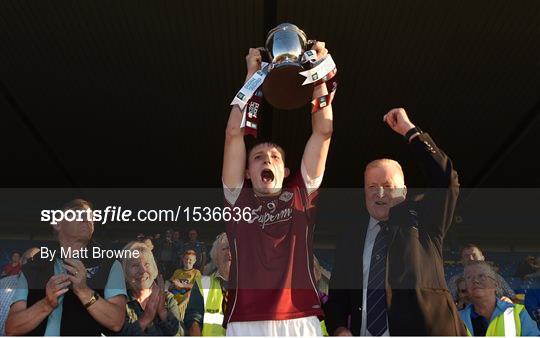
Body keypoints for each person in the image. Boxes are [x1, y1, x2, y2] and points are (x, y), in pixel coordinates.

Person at [222, 41, 333, 336]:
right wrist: (251, 78)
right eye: (257, 157)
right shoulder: (237, 199)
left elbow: (323, 132)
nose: (266, 160)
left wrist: (318, 71)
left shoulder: (301, 194)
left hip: (299, 318)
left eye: (274, 157)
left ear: (285, 171)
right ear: (247, 172)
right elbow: (234, 134)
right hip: (245, 320)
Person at [325, 108, 466, 336]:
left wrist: (411, 132)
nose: (379, 193)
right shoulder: (350, 236)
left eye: (388, 186)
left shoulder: (426, 219)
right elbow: (337, 296)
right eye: (371, 187)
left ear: (404, 190)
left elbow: (446, 180)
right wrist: (339, 327)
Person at [5, 199, 127, 336]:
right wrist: (47, 303)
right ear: (57, 223)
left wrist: (84, 291)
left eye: (92, 217)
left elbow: (116, 322)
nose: (88, 219)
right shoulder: (33, 267)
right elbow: (11, 328)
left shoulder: (110, 265)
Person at [459, 261, 539, 336]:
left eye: (481, 276)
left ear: (495, 284)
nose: (475, 280)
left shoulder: (518, 313)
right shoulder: (457, 318)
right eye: (469, 277)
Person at [120, 241, 184, 336]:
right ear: (125, 272)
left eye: (147, 264)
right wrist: (146, 318)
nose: (142, 270)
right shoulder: (119, 303)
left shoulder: (168, 299)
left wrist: (162, 312)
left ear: (154, 268)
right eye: (135, 265)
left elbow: (179, 334)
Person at [184, 232, 231, 336]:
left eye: (233, 249)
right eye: (225, 249)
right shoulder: (202, 283)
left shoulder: (252, 285)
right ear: (216, 256)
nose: (229, 253)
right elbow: (193, 320)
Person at [447, 244, 516, 301]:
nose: (471, 258)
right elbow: (448, 302)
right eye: (466, 256)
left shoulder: (496, 277)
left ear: (482, 258)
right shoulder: (454, 280)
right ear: (462, 261)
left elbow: (512, 297)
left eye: (474, 255)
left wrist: (508, 300)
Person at [169, 250, 202, 318]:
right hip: (174, 295)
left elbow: (198, 286)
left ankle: (178, 313)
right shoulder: (177, 271)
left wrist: (182, 285)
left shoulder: (196, 272)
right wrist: (173, 285)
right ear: (183, 259)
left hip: (186, 298)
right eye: (186, 259)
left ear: (194, 261)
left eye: (190, 259)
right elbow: (169, 285)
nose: (187, 261)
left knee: (190, 293)